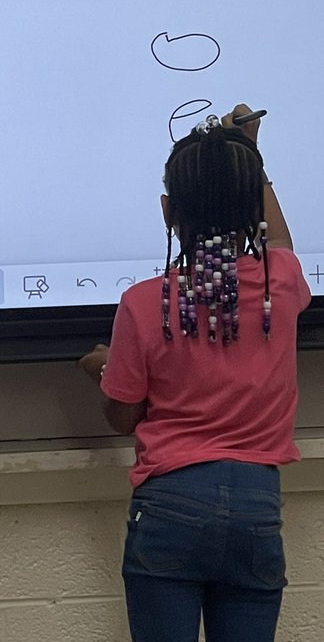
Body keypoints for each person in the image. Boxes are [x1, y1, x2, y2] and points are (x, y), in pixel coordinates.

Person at [79, 104, 311, 642]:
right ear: (250, 205)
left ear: (168, 212)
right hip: (257, 502)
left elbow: (122, 417)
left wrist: (104, 369)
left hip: (169, 502)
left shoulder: (143, 304)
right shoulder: (280, 283)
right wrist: (250, 159)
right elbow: (280, 243)